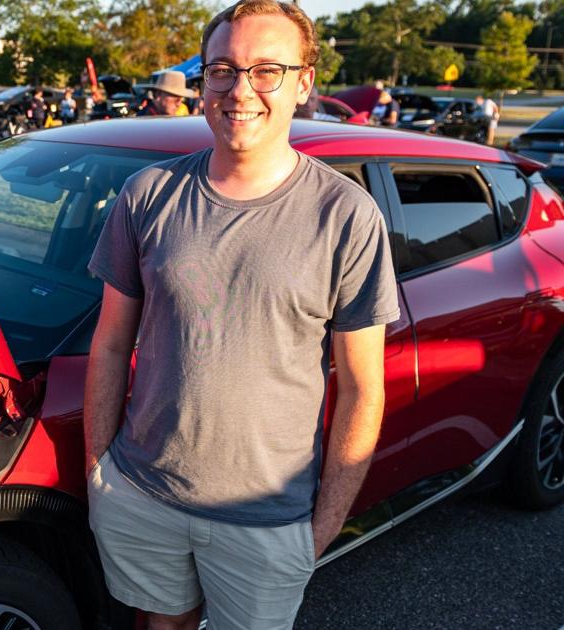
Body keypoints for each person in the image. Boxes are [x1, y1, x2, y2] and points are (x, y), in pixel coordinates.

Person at [85, 2, 398, 629]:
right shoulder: (147, 194)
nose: (240, 90)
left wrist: (324, 524)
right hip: (145, 492)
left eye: (266, 70)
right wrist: (99, 471)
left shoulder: (346, 216)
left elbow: (364, 388)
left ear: (304, 82)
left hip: (269, 518)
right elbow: (112, 345)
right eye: (223, 69)